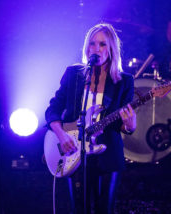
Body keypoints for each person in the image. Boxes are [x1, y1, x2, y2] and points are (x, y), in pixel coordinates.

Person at [45, 23, 136, 214]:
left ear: (111, 48)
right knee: (79, 209)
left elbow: (123, 125)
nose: (96, 49)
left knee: (105, 210)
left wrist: (130, 125)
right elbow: (52, 109)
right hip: (75, 154)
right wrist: (61, 135)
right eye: (92, 44)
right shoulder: (74, 74)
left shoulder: (124, 81)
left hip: (108, 155)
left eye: (102, 44)